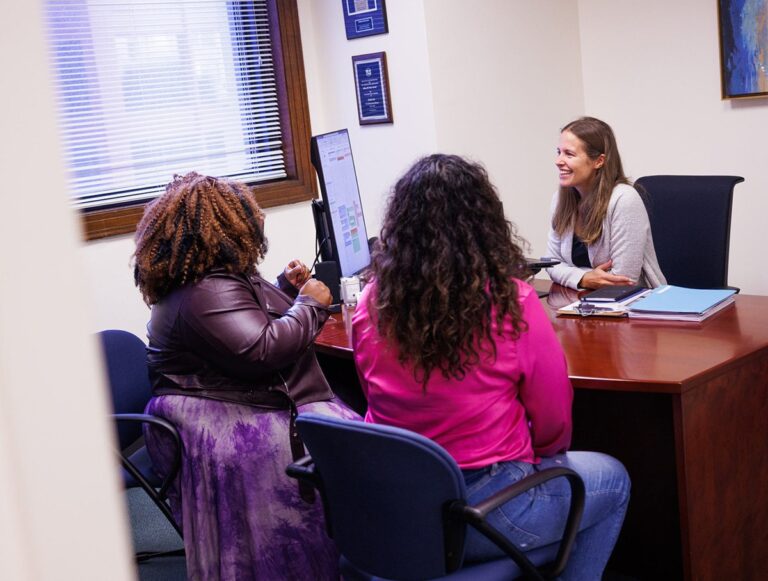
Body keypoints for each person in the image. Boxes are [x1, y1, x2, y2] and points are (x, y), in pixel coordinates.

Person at [352, 154, 630, 579]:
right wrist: (541, 457)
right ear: (483, 224)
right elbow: (554, 418)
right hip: (486, 514)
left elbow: (372, 398)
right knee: (613, 478)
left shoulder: (371, 303)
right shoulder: (511, 302)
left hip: (400, 513)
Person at [133, 172, 359, 580]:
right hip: (225, 418)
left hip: (233, 397)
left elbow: (236, 327)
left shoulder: (205, 280)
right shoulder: (205, 289)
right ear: (225, 228)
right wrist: (309, 305)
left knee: (356, 432)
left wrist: (283, 292)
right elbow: (262, 349)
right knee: (360, 444)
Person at [546, 116, 666, 289]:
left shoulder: (624, 199)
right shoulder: (560, 199)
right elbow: (550, 263)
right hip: (582, 302)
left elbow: (623, 280)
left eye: (569, 154)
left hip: (631, 306)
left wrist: (570, 275)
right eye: (559, 152)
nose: (558, 161)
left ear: (599, 161)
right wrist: (584, 278)